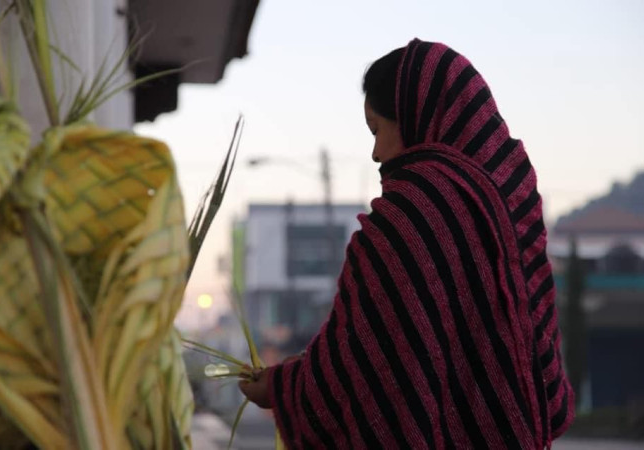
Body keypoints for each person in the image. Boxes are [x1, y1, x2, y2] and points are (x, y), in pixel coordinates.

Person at [239, 38, 575, 449]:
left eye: (378, 130)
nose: (377, 153)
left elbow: (359, 366)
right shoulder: (514, 191)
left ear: (418, 117)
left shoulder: (414, 213)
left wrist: (281, 388)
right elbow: (538, 373)